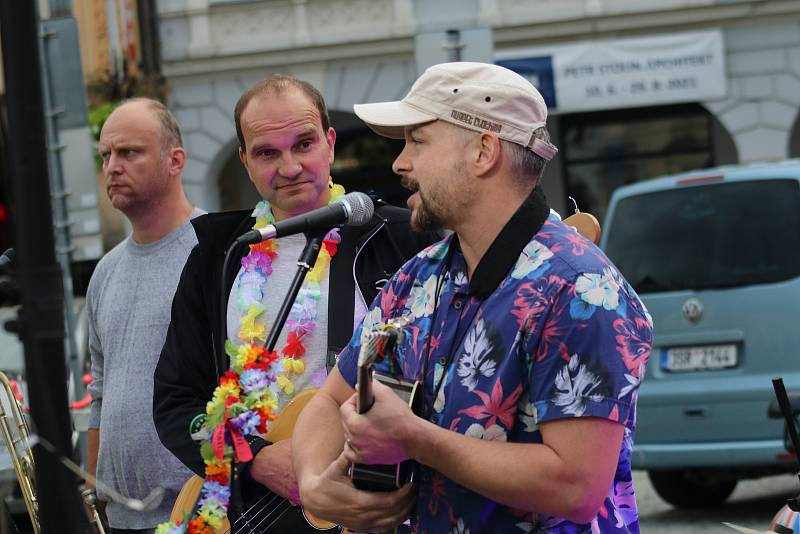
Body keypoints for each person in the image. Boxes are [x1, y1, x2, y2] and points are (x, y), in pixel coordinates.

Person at [292, 61, 654, 533]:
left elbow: (576, 487)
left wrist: (414, 438)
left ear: (483, 151)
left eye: (417, 141)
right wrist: (315, 484)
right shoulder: (417, 277)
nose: (400, 163)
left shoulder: (582, 290)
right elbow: (327, 402)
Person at [152, 75, 437, 528]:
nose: (289, 167)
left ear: (329, 143)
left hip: (369, 500)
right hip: (256, 507)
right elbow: (176, 402)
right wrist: (257, 462)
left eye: (303, 144)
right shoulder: (218, 255)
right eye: (267, 152)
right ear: (245, 161)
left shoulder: (403, 236)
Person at [87, 98, 204, 533]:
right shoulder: (105, 271)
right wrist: (93, 492)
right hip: (120, 518)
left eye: (129, 152)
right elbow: (100, 393)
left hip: (201, 513)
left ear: (175, 160)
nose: (112, 167)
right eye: (106, 155)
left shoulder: (212, 253)